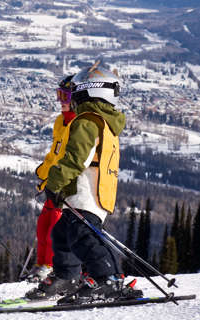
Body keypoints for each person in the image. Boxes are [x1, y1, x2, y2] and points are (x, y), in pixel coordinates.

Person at [29, 60, 142, 304]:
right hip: (90, 190)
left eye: (76, 91)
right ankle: (67, 276)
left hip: (87, 192)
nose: (72, 97)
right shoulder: (101, 121)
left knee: (83, 236)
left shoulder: (87, 122)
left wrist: (54, 184)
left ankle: (108, 280)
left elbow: (75, 159)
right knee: (62, 233)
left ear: (88, 91)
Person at [25, 75, 77, 282]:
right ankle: (40, 265)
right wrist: (43, 174)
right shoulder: (60, 121)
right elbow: (54, 154)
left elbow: (71, 159)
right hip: (51, 184)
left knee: (54, 229)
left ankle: (51, 266)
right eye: (59, 95)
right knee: (43, 226)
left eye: (65, 96)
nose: (60, 101)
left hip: (64, 187)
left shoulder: (77, 124)